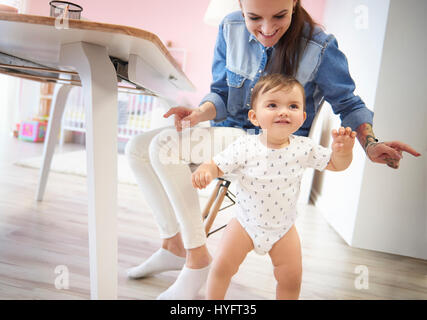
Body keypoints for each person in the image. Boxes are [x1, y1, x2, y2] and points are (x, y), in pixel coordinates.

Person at [125, 0, 421, 300]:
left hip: (273, 144)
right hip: (231, 133)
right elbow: (222, 93)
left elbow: (348, 104)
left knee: (163, 146)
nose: (267, 30)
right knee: (137, 147)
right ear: (241, 6)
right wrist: (199, 113)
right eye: (254, 18)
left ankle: (196, 257)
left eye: (279, 16)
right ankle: (173, 245)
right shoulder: (230, 27)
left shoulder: (319, 46)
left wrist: (369, 144)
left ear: (294, 2)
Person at [192, 73, 356, 299]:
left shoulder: (304, 148)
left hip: (283, 229)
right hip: (245, 224)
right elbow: (217, 165)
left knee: (291, 280)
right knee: (221, 268)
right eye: (272, 105)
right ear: (254, 116)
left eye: (293, 106)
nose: (283, 111)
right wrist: (206, 170)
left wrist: (343, 151)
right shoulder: (245, 145)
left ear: (302, 116)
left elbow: (336, 164)